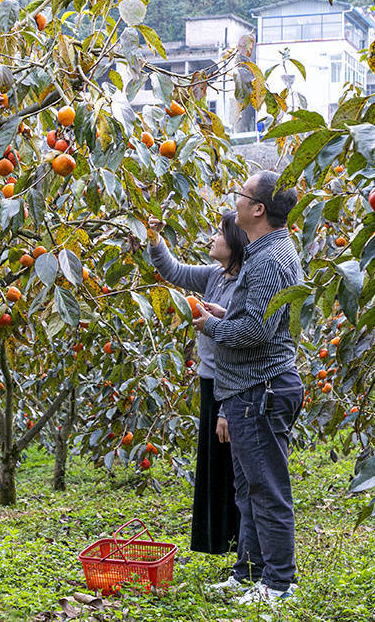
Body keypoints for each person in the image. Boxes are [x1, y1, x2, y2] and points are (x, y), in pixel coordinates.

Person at [193, 170, 303, 606]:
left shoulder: (271, 259)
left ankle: (279, 584)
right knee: (247, 488)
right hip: (248, 389)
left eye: (241, 195)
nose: (233, 201)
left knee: (266, 489)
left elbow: (256, 333)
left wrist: (213, 325)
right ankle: (251, 572)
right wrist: (226, 312)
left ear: (258, 209)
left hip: (263, 388)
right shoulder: (262, 254)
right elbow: (257, 317)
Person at [147, 212, 246, 556]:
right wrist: (154, 240)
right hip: (210, 380)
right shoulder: (215, 277)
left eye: (219, 233)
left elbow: (239, 340)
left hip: (232, 383)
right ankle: (219, 541)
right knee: (213, 463)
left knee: (230, 466)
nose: (212, 239)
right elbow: (174, 271)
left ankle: (237, 542)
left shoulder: (245, 284)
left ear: (234, 242)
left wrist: (226, 406)